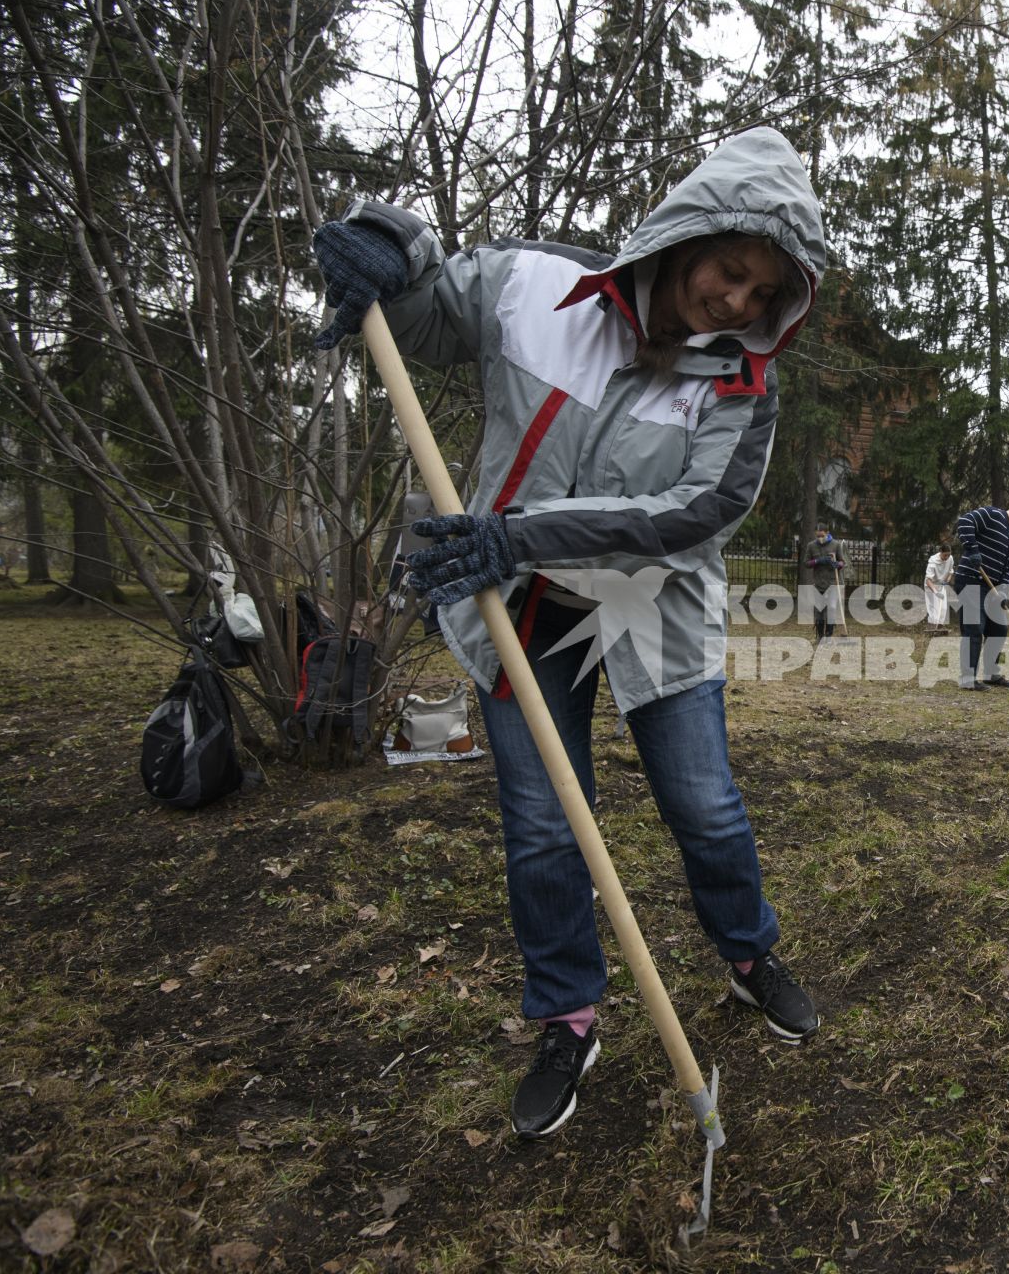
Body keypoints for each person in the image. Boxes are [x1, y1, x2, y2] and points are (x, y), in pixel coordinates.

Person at [310, 128, 825, 1140]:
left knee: (705, 806)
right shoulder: (538, 285)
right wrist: (388, 248)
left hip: (651, 611)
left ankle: (748, 948)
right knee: (547, 821)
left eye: (763, 293)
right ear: (693, 234)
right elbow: (425, 305)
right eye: (731, 270)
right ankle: (569, 1014)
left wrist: (521, 533)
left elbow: (693, 513)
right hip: (519, 609)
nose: (736, 302)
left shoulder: (742, 385)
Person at [954, 495, 1009, 689]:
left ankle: (991, 674)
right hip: (971, 581)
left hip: (993, 589)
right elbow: (964, 522)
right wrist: (972, 550)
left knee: (999, 629)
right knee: (974, 629)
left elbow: (1008, 568)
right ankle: (967, 679)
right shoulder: (992, 514)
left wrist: (1003, 590)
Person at [803, 526, 844, 642]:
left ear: (827, 533)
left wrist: (838, 564)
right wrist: (817, 561)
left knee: (831, 608)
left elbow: (842, 561)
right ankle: (820, 636)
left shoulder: (836, 545)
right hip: (818, 583)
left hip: (832, 583)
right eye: (818, 536)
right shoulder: (811, 546)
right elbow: (806, 563)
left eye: (822, 535)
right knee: (819, 611)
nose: (820, 538)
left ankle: (829, 635)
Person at [923, 543, 954, 628]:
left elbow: (950, 572)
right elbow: (928, 580)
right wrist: (936, 592)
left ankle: (939, 629)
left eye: (948, 555)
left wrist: (946, 581)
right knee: (935, 609)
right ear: (940, 552)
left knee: (943, 609)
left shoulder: (950, 559)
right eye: (945, 555)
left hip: (941, 585)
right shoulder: (933, 561)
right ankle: (932, 629)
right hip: (931, 586)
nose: (947, 557)